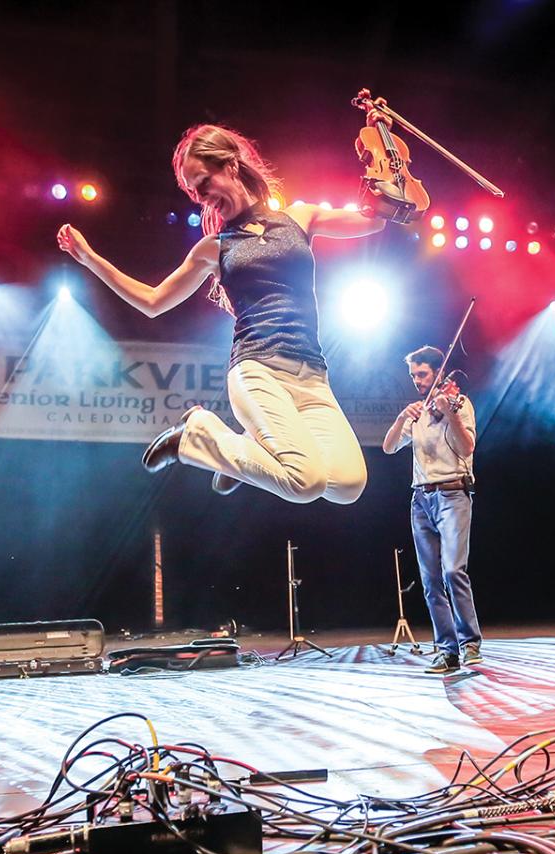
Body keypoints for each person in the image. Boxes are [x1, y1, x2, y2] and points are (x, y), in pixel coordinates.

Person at [57, 122, 387, 503]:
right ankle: (198, 433)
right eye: (194, 192)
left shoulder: (300, 217)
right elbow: (153, 302)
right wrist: (90, 259)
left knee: (347, 486)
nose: (202, 197)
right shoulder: (214, 248)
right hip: (258, 369)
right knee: (305, 483)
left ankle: (243, 455)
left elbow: (377, 219)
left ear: (230, 165)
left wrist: (387, 162)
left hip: (312, 376)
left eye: (204, 182)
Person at [382, 348, 482, 674]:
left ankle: (470, 643)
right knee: (431, 580)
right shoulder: (419, 412)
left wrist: (448, 414)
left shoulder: (459, 403)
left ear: (439, 372)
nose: (417, 381)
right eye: (413, 375)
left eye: (422, 374)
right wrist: (401, 418)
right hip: (421, 501)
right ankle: (447, 650)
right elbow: (388, 446)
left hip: (453, 494)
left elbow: (467, 447)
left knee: (454, 570)